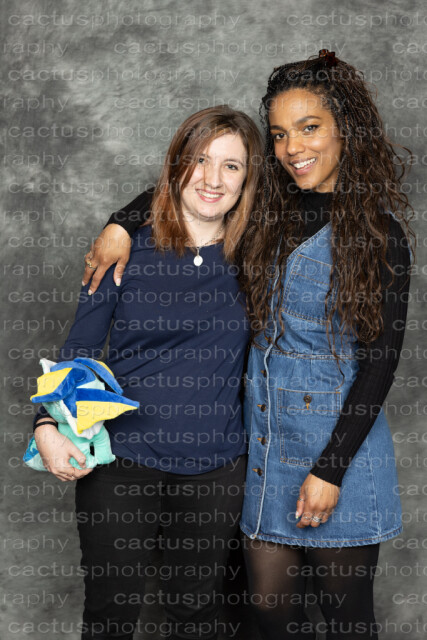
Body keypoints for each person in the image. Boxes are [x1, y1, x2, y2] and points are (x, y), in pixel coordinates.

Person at [83, 52, 414, 640]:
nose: (292, 148)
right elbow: (197, 183)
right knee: (264, 608)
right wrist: (120, 222)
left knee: (346, 616)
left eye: (309, 128)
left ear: (345, 130)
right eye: (280, 135)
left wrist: (331, 470)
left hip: (340, 450)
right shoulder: (266, 211)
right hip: (263, 447)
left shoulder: (379, 235)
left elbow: (380, 363)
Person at [32, 105, 264, 640]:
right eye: (199, 160)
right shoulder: (124, 251)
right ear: (177, 165)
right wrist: (45, 424)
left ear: (247, 180)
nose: (212, 179)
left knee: (196, 614)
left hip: (215, 469)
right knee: (110, 616)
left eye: (231, 166)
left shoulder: (259, 257)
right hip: (120, 464)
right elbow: (79, 349)